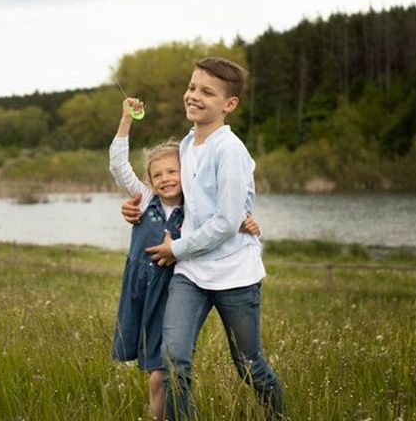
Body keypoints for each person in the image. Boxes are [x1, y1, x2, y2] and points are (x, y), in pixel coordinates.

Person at [128, 57, 286, 420]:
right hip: (192, 273)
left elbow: (225, 222)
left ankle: (280, 416)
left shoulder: (229, 151)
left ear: (229, 104)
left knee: (249, 365)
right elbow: (177, 194)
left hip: (235, 275)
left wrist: (175, 248)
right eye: (192, 87)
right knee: (173, 359)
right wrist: (136, 207)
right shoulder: (186, 145)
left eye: (207, 92)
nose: (194, 96)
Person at [109, 97, 260, 421]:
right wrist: (126, 121)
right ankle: (158, 413)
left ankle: (161, 413)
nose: (165, 179)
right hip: (140, 287)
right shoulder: (145, 198)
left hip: (173, 287)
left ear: (185, 172)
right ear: (149, 181)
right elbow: (119, 166)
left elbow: (226, 209)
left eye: (172, 171)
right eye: (157, 174)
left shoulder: (192, 207)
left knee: (163, 367)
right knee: (153, 365)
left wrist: (247, 220)